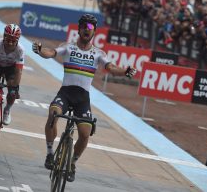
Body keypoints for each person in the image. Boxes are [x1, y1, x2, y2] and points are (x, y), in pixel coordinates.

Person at [32, 14, 136, 182]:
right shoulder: (69, 47)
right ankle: (50, 153)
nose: (86, 30)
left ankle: (72, 163)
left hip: (82, 99)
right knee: (53, 113)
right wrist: (40, 50)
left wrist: (124, 71)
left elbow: (110, 67)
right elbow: (51, 52)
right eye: (83, 27)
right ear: (79, 29)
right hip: (65, 93)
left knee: (85, 133)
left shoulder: (98, 53)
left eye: (90, 28)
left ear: (94, 32)